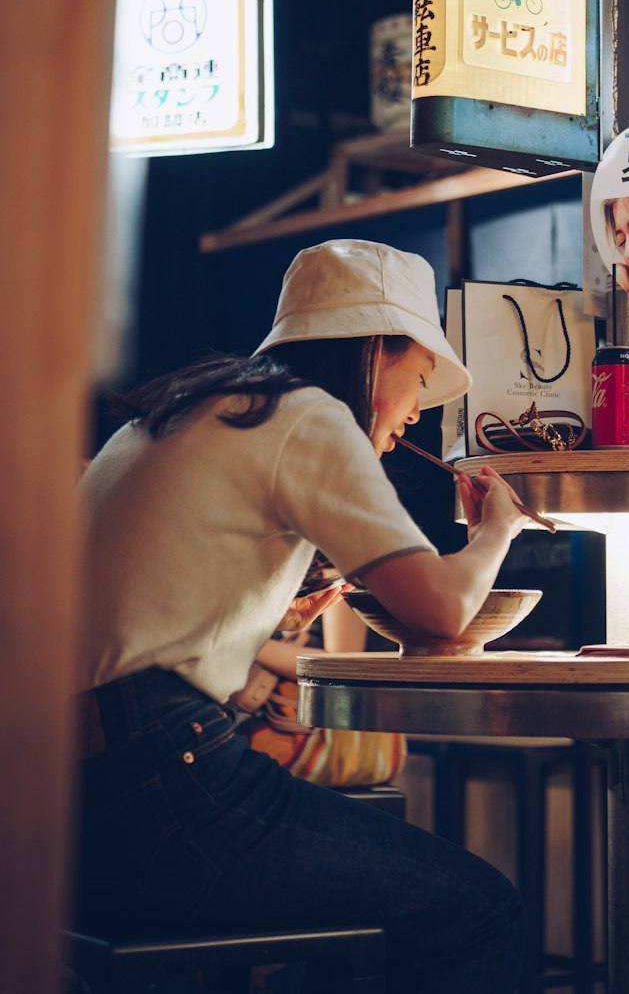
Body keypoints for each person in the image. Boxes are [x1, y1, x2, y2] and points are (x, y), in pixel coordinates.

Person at [74, 239, 529, 994]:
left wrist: (265, 629)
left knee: (362, 919)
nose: (417, 411)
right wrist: (495, 533)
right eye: (419, 378)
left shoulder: (190, 406)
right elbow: (443, 614)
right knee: (483, 908)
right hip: (164, 782)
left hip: (73, 789)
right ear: (375, 350)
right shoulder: (310, 415)